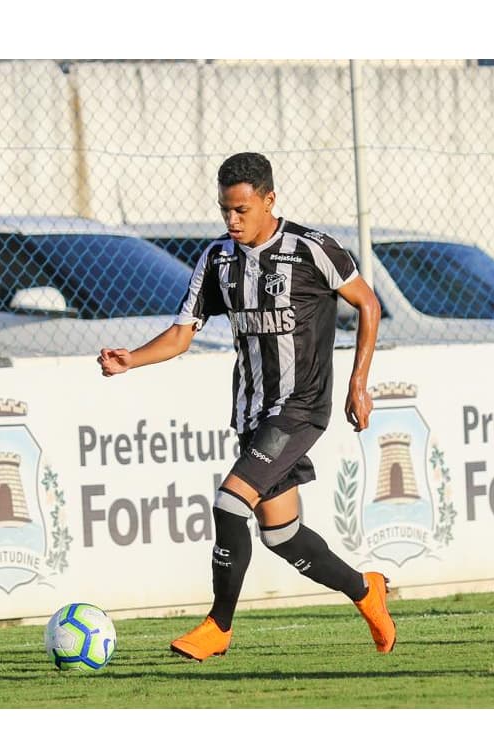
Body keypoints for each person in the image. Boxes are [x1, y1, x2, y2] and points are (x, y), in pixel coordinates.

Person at [97, 151, 395, 660]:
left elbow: (369, 303)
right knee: (283, 537)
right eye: (224, 211)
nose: (232, 221)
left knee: (229, 502)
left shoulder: (311, 249)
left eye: (241, 209)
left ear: (269, 200)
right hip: (252, 413)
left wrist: (358, 383)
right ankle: (366, 590)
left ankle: (219, 626)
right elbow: (180, 335)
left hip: (300, 407)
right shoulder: (217, 259)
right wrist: (132, 360)